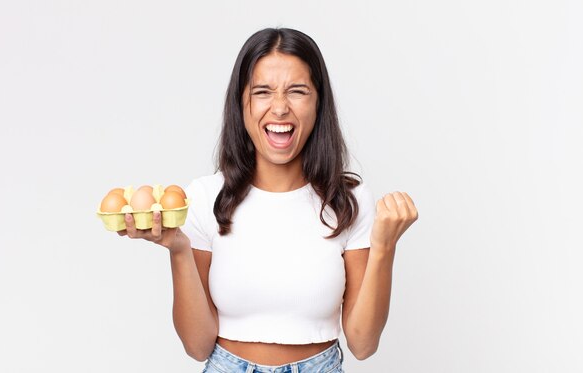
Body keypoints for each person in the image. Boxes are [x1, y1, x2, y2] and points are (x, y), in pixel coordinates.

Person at [117, 28, 418, 372]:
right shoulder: (204, 198)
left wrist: (384, 247)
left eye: (297, 91)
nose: (279, 108)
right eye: (262, 92)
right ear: (241, 103)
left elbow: (363, 344)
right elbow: (197, 346)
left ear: (318, 103)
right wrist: (179, 250)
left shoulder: (348, 202)